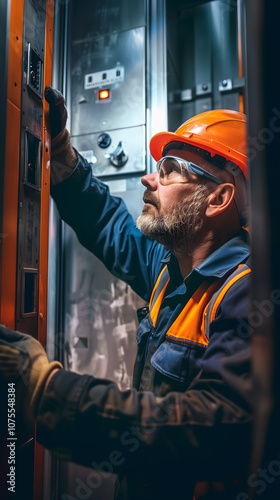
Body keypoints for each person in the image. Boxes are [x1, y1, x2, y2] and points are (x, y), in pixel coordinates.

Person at [0, 88, 253, 500]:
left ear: (219, 198)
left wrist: (48, 389)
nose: (148, 178)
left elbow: (210, 428)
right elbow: (106, 222)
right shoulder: (170, 267)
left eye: (170, 169)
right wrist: (59, 148)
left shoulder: (246, 293)